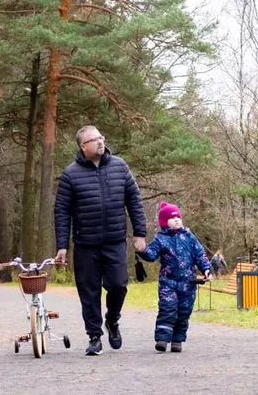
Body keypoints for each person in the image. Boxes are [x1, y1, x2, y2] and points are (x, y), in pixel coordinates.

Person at [54, 125, 147, 356]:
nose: (100, 142)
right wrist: (62, 246)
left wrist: (140, 233)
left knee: (118, 285)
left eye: (100, 137)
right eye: (94, 140)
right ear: (83, 146)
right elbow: (62, 212)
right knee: (89, 292)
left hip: (115, 241)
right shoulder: (70, 174)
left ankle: (112, 321)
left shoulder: (120, 166)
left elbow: (134, 200)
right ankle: (94, 336)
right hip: (85, 244)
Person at [138, 202, 212, 353]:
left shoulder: (189, 237)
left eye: (178, 217)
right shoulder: (161, 239)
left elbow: (200, 255)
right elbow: (151, 254)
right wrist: (142, 250)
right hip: (168, 283)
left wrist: (206, 269)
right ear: (165, 222)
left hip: (188, 283)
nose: (177, 219)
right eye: (173, 218)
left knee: (184, 311)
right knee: (167, 309)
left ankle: (177, 339)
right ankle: (162, 339)